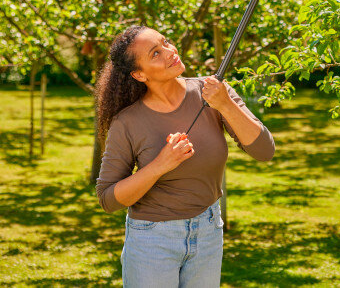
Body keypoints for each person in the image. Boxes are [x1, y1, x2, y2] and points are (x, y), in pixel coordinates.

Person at [95, 24, 275, 287]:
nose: (170, 51)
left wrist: (225, 104)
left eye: (166, 42)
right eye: (155, 53)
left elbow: (265, 151)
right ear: (139, 74)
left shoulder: (214, 92)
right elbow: (108, 199)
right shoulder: (127, 122)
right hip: (152, 239)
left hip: (208, 232)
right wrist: (160, 165)